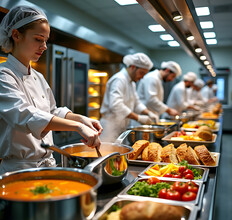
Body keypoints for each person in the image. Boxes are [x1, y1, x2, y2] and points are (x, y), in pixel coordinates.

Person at [0, 6, 102, 174]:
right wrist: (77, 126)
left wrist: (82, 119)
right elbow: (25, 115)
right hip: (19, 170)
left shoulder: (38, 76)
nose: (44, 46)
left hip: (49, 165)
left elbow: (52, 111)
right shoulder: (4, 75)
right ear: (16, 35)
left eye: (46, 40)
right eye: (39, 39)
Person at [100, 53, 158, 141]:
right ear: (133, 67)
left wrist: (148, 113)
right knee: (107, 153)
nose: (142, 77)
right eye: (141, 73)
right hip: (110, 127)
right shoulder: (119, 79)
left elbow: (136, 103)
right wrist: (138, 118)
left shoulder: (132, 83)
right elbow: (116, 105)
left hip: (121, 126)